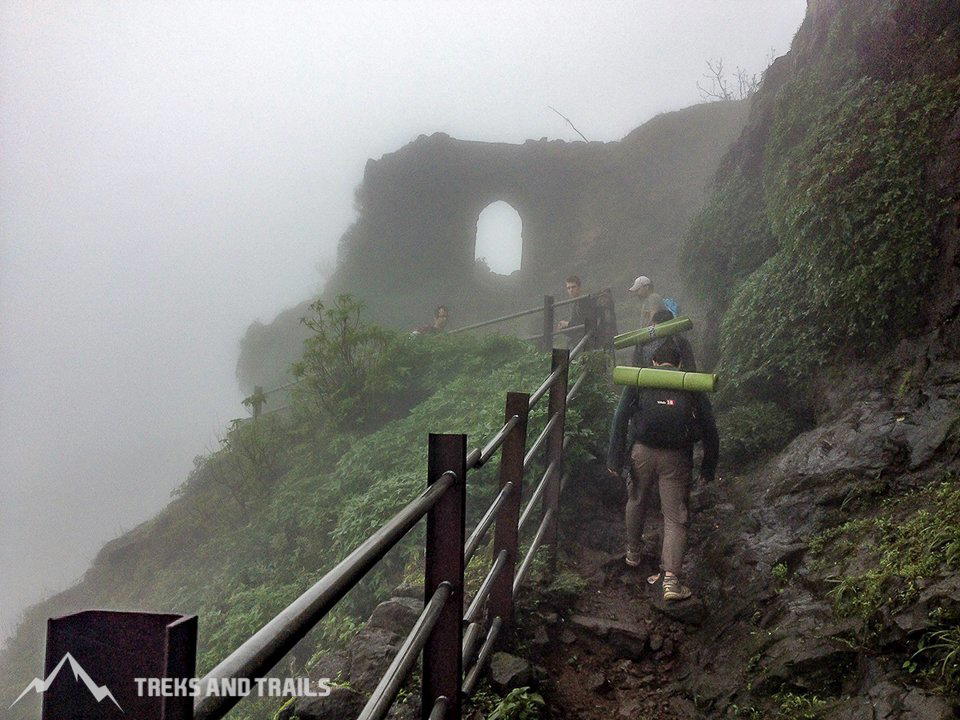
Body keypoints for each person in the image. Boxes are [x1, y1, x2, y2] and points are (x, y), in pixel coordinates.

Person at [607, 339, 719, 602]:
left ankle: (633, 553)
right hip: (676, 458)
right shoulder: (690, 383)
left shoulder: (640, 378)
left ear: (654, 361)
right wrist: (708, 466)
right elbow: (709, 427)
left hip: (641, 452)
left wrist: (615, 459)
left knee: (636, 500)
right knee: (674, 517)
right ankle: (671, 581)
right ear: (679, 364)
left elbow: (620, 418)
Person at [557, 275, 586, 345]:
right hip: (578, 340)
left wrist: (567, 324)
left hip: (585, 339)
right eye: (568, 288)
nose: (571, 290)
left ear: (579, 288)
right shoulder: (576, 303)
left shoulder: (584, 301)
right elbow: (576, 327)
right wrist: (563, 328)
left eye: (573, 287)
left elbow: (585, 323)